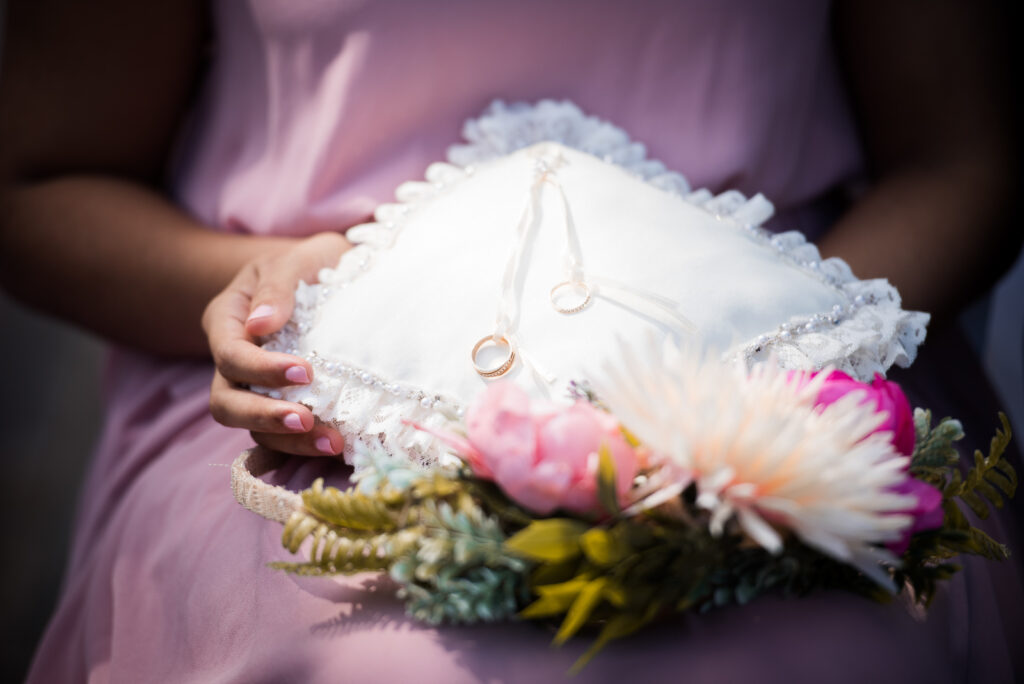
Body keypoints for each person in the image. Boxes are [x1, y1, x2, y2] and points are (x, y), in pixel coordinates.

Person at [2, 1, 1021, 681]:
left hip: (791, 325)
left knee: (826, 647)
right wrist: (287, 301)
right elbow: (36, 181)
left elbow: (959, 154)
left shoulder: (804, 326)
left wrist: (789, 351)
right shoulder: (317, 341)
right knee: (382, 662)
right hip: (324, 365)